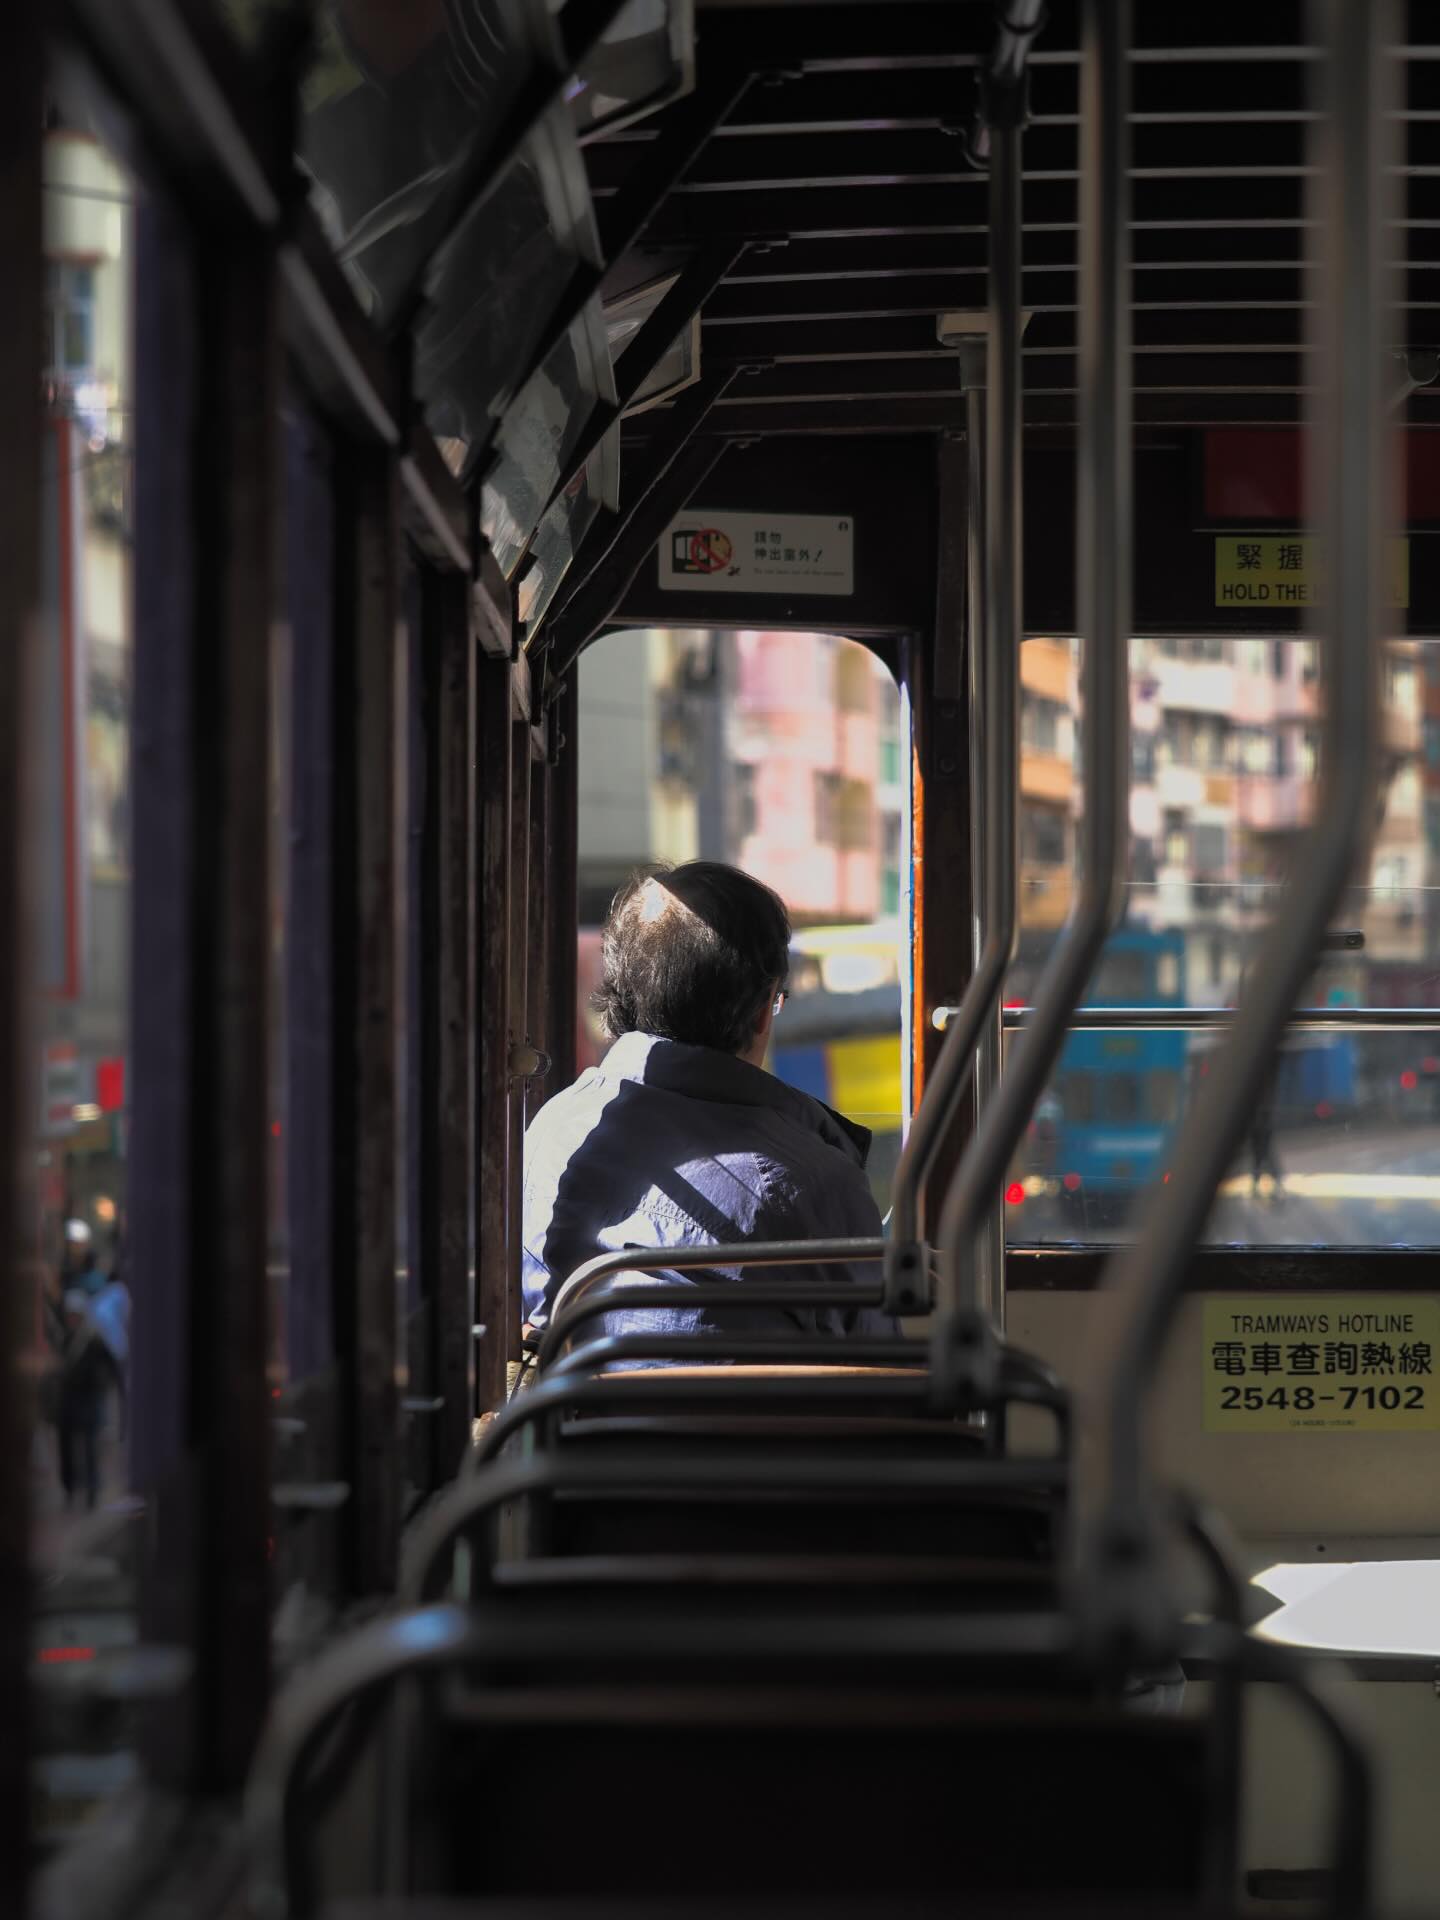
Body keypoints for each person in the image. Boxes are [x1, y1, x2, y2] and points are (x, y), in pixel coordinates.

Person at [522, 862, 894, 1345]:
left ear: (619, 996)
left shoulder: (551, 1132)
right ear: (762, 1012)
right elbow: (877, 1363)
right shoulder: (817, 1187)